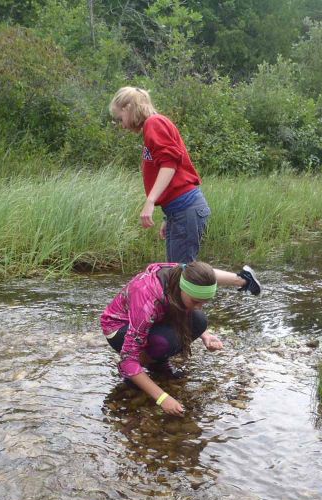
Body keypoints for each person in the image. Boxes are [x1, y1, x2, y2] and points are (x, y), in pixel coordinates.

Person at [109, 86, 261, 295]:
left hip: (187, 208)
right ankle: (242, 281)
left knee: (183, 274)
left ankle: (232, 288)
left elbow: (170, 164)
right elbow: (173, 175)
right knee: (180, 272)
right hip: (179, 210)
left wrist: (150, 201)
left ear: (128, 108)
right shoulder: (153, 126)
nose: (121, 125)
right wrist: (167, 216)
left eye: (119, 118)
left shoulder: (155, 123)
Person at [101, 261, 238, 416]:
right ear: (181, 289)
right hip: (118, 328)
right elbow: (128, 359)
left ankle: (156, 364)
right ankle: (136, 373)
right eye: (195, 301)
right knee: (164, 343)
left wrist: (205, 335)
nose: (199, 306)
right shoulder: (147, 299)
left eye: (204, 302)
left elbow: (180, 308)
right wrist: (162, 398)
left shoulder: (182, 274)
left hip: (152, 319)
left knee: (199, 321)